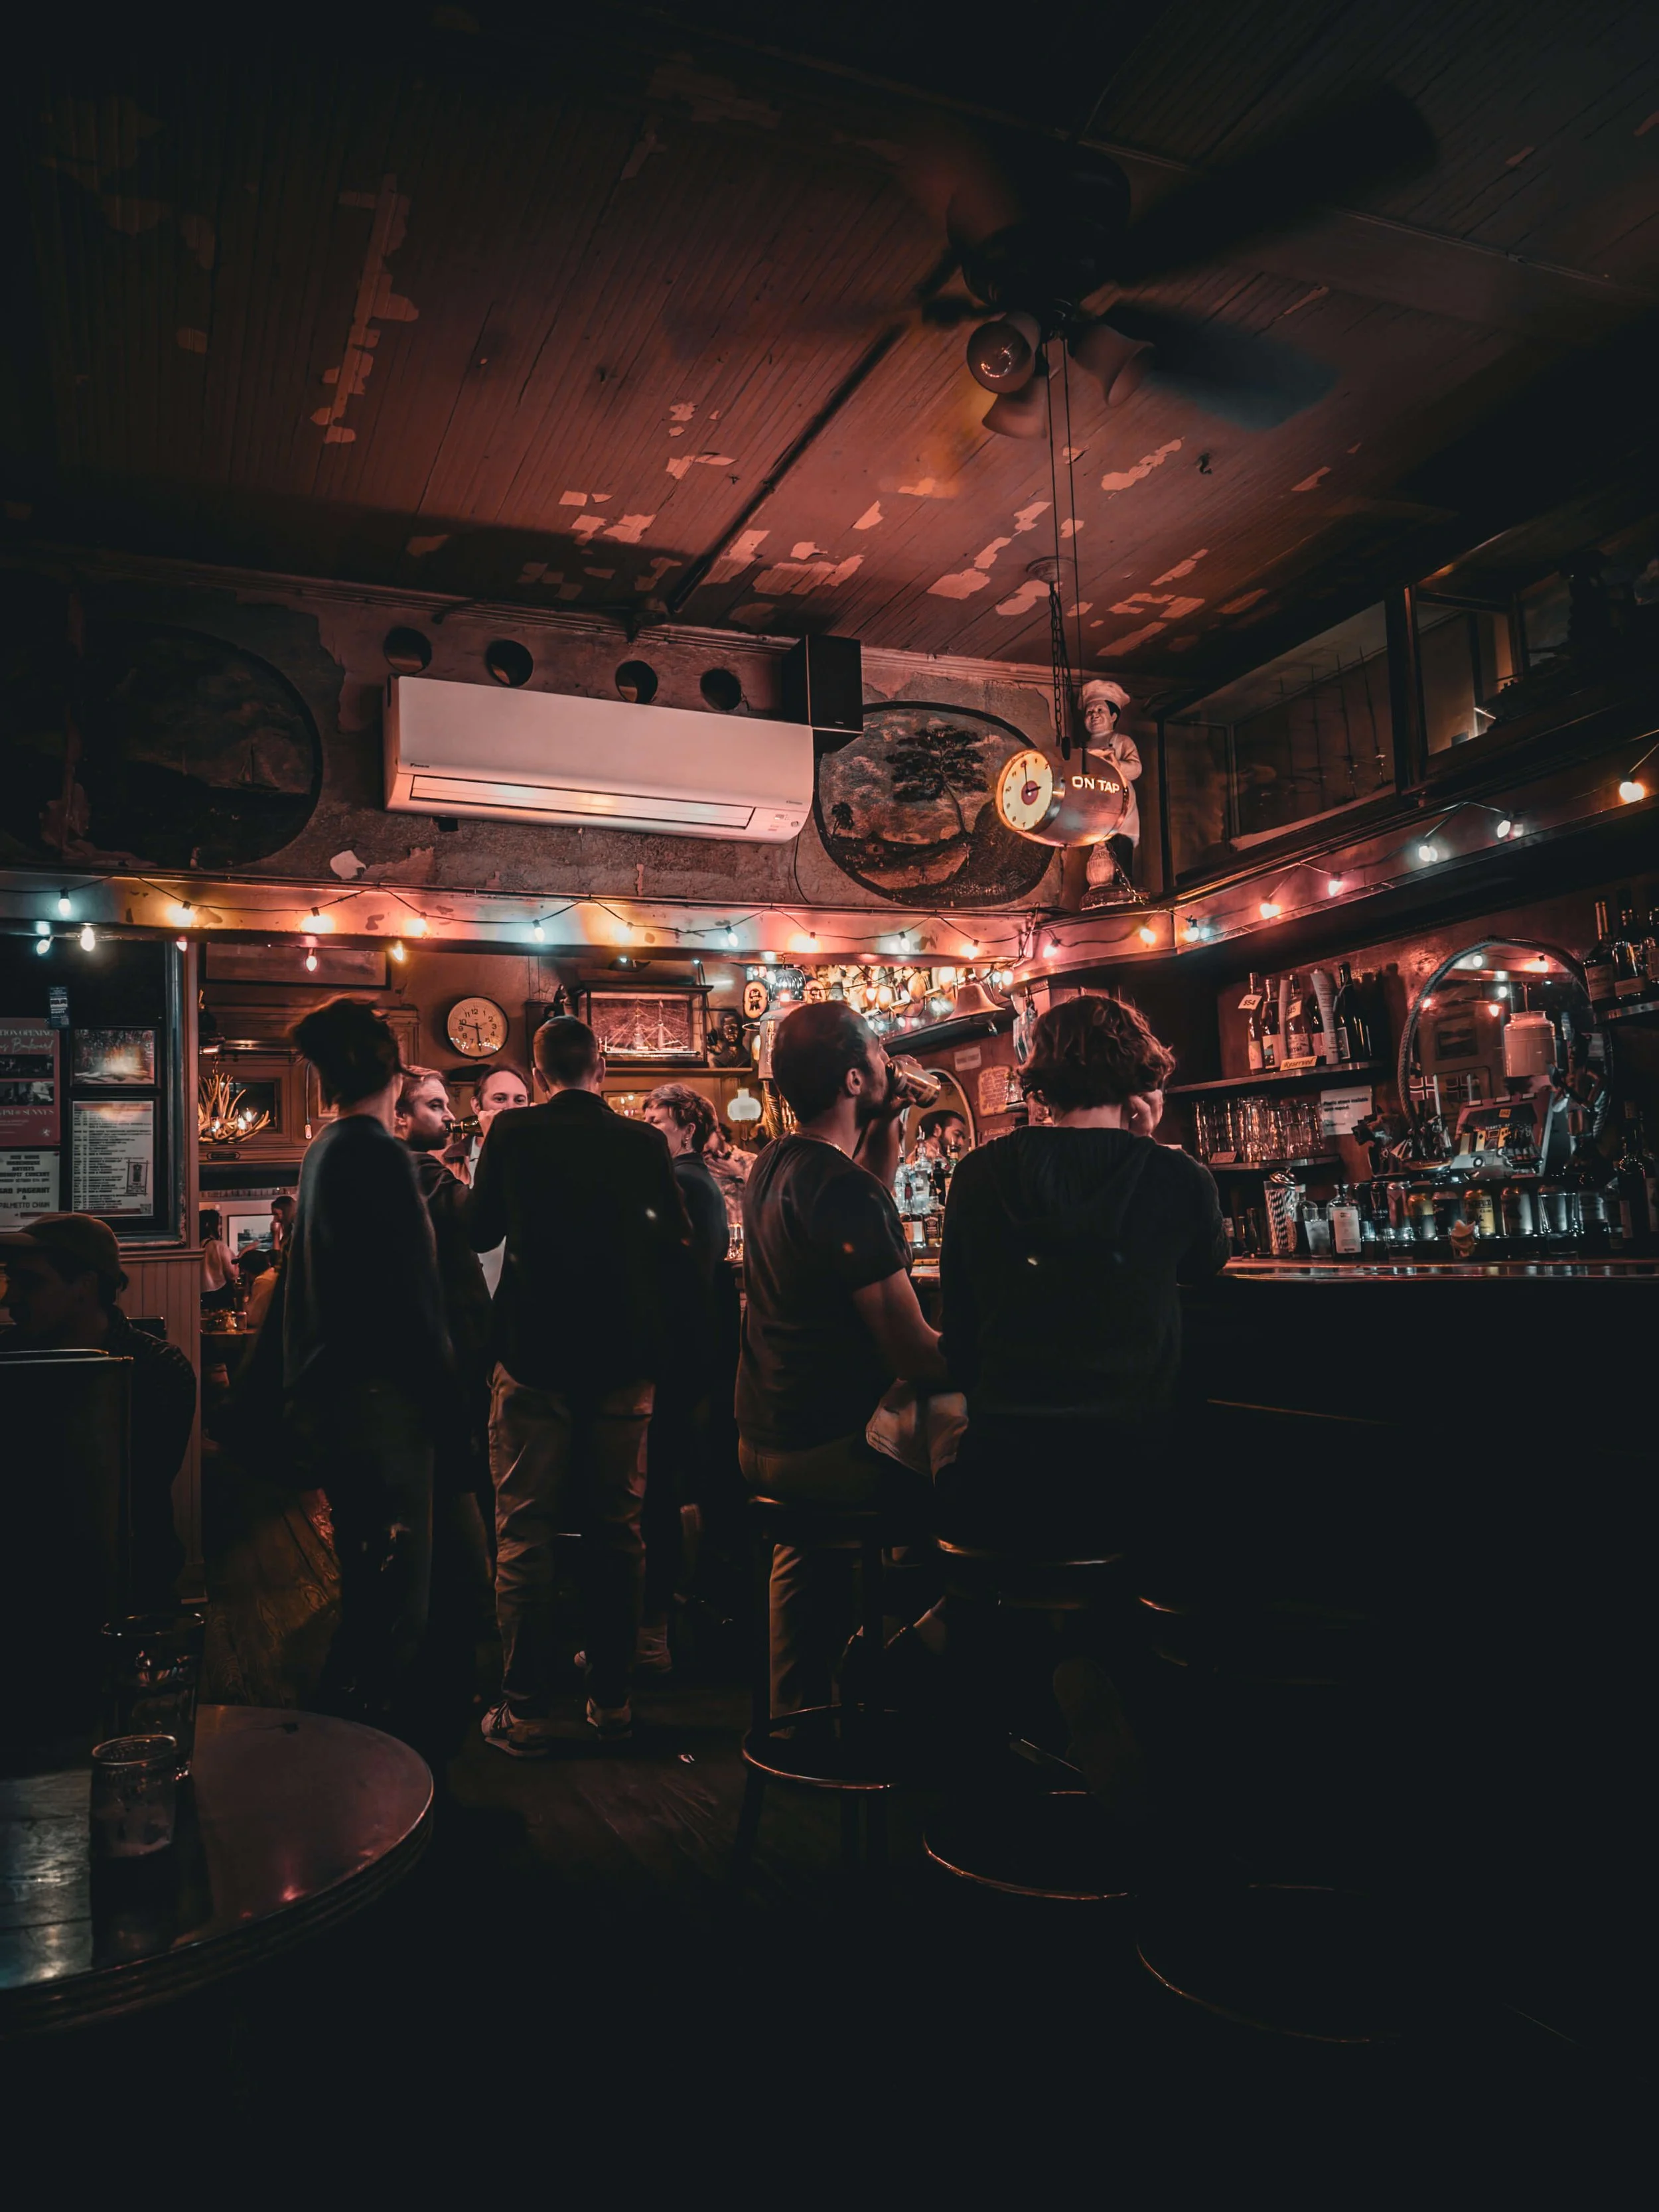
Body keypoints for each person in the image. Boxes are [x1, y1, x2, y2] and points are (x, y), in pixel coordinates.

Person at [467, 1017, 691, 1751]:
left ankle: (526, 1710)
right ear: (604, 1066)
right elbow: (675, 1239)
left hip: (534, 1354)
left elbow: (478, 1232)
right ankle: (613, 1700)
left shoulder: (512, 1135)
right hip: (623, 1358)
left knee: (525, 1531)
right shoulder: (644, 1143)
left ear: (538, 1073)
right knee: (616, 1533)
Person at [937, 992, 1228, 1549]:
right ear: (1139, 1078)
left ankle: (960, 1621)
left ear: (1043, 1080)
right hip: (1138, 1479)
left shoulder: (977, 1174)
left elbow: (961, 1343)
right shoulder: (1175, 1176)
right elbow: (1205, 1262)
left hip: (1004, 1475)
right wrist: (1144, 1145)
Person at [736, 1001, 946, 1714]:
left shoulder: (778, 1164)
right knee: (995, 1493)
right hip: (836, 1449)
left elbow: (867, 1201)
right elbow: (915, 1354)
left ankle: (799, 1717)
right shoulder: (838, 1187)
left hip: (769, 1440)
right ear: (855, 1079)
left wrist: (888, 1121)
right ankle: (903, 1674)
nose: (894, 1064)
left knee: (806, 1549)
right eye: (883, 1056)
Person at [285, 999, 451, 1726]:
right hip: (385, 1403)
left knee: (364, 1587)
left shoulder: (323, 1147)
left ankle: (343, 1766)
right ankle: (386, 1783)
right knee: (395, 1603)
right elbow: (416, 1298)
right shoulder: (379, 1153)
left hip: (336, 1397)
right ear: (392, 1069)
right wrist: (450, 1404)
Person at [0, 1213, 195, 1607]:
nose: (9, 1299)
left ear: (85, 1285)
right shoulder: (7, 1355)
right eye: (10, 1280)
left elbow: (135, 1489)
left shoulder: (155, 1367)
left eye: (29, 1282)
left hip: (127, 1580)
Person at [396, 1065, 496, 1747]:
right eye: (434, 1106)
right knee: (457, 1542)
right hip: (444, 1373)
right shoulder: (421, 1175)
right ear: (401, 1117)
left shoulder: (424, 1170)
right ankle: (444, 1706)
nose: (447, 1115)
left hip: (439, 1372)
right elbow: (485, 1230)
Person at [637, 1082, 733, 1671]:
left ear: (687, 1130)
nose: (649, 1125)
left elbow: (681, 1276)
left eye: (658, 1117)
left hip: (682, 1359)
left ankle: (654, 1632)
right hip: (696, 1357)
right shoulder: (693, 1181)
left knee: (660, 1489)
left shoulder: (687, 1182)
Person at [448, 1063, 530, 1294]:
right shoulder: (449, 1161)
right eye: (500, 1099)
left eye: (519, 1100)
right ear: (477, 1105)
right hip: (467, 1294)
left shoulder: (539, 1159)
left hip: (522, 1295)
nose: (510, 1108)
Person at [1078, 679, 1143, 908]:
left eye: (1100, 710)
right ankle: (1100, 889)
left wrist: (1117, 764)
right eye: (1090, 712)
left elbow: (1136, 769)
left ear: (1114, 716)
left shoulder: (1122, 742)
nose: (1094, 715)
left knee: (1120, 846)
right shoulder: (1082, 748)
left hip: (1120, 806)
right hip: (1094, 809)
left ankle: (1123, 887)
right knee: (1096, 850)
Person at [200, 1207, 242, 1316]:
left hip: (200, 1295)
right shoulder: (219, 1246)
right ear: (209, 1225)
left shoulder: (196, 1246)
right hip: (221, 1295)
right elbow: (232, 1274)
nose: (220, 1227)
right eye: (218, 1224)